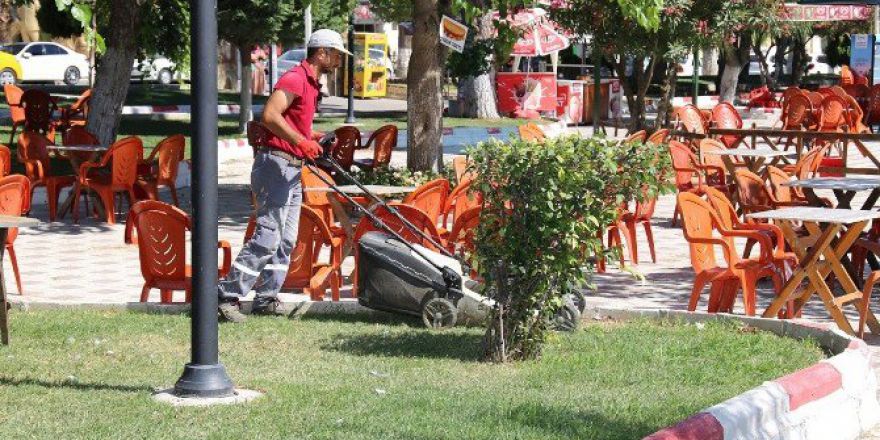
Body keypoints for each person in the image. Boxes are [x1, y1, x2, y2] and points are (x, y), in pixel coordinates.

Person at [218, 29, 350, 323]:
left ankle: (266, 297)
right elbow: (270, 115)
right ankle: (226, 296)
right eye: (337, 54)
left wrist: (316, 137)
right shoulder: (295, 78)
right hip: (274, 166)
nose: (339, 60)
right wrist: (301, 141)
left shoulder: (312, 84)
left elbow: (294, 126)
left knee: (287, 239)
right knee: (267, 236)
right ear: (322, 53)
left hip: (291, 168)